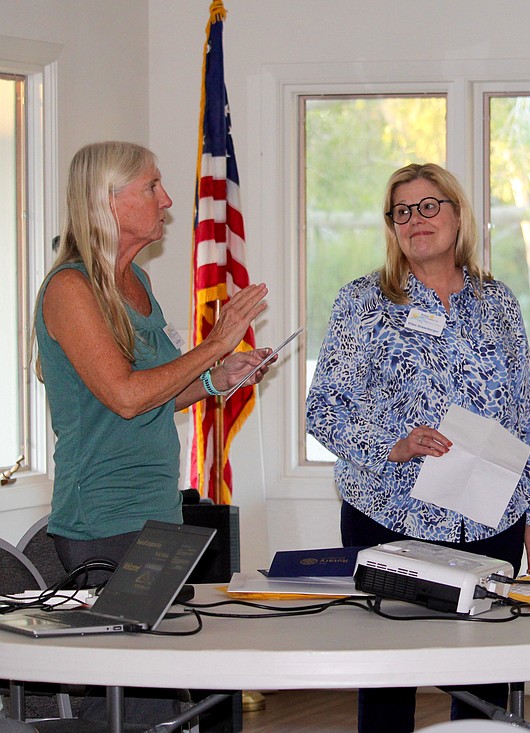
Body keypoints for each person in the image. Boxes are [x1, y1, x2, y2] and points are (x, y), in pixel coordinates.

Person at [306, 162, 530, 732]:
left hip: (493, 523)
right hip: (390, 520)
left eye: (429, 206)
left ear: (458, 214)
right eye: (402, 212)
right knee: (390, 683)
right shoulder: (363, 302)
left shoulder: (498, 302)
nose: (416, 221)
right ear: (391, 227)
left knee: (486, 684)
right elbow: (322, 411)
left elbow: (529, 417)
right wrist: (391, 444)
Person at [34, 141, 272, 721]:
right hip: (104, 522)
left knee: (159, 700)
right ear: (108, 202)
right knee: (133, 707)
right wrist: (214, 343)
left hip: (157, 515)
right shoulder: (70, 289)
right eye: (151, 187)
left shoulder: (135, 280)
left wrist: (217, 377)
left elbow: (158, 393)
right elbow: (125, 397)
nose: (167, 201)